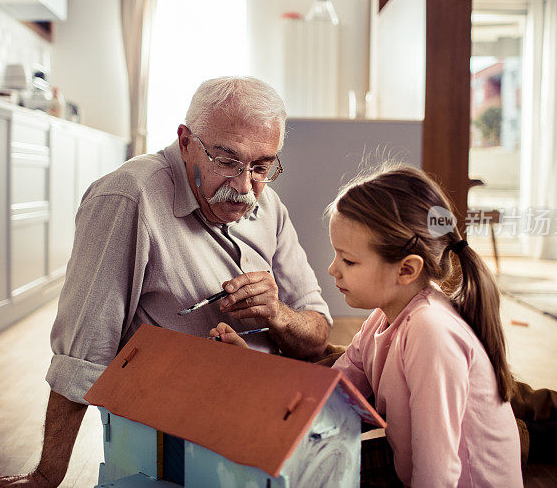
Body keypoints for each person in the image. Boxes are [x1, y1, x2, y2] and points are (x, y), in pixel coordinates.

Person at [0, 77, 331, 488]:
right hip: (176, 434)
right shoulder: (127, 197)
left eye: (262, 166)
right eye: (227, 162)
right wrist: (46, 477)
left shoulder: (270, 205)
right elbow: (83, 353)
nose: (246, 187)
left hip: (276, 415)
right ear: (186, 141)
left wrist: (279, 315)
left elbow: (317, 332)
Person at [214, 163, 523, 487]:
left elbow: (438, 472)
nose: (333, 269)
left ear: (406, 270)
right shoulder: (382, 318)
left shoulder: (430, 331)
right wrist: (248, 362)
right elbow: (327, 395)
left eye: (348, 260)